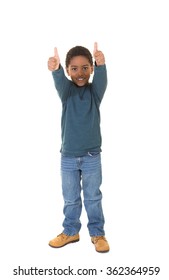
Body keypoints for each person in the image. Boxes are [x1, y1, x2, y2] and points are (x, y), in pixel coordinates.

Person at [47, 43, 110, 253]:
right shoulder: (66, 93)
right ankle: (71, 231)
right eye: (74, 69)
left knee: (93, 197)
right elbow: (59, 81)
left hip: (92, 156)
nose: (80, 73)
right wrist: (55, 69)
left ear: (91, 69)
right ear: (68, 71)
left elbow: (102, 79)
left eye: (85, 68)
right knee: (71, 198)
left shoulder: (95, 93)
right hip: (68, 158)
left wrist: (101, 65)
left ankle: (97, 233)